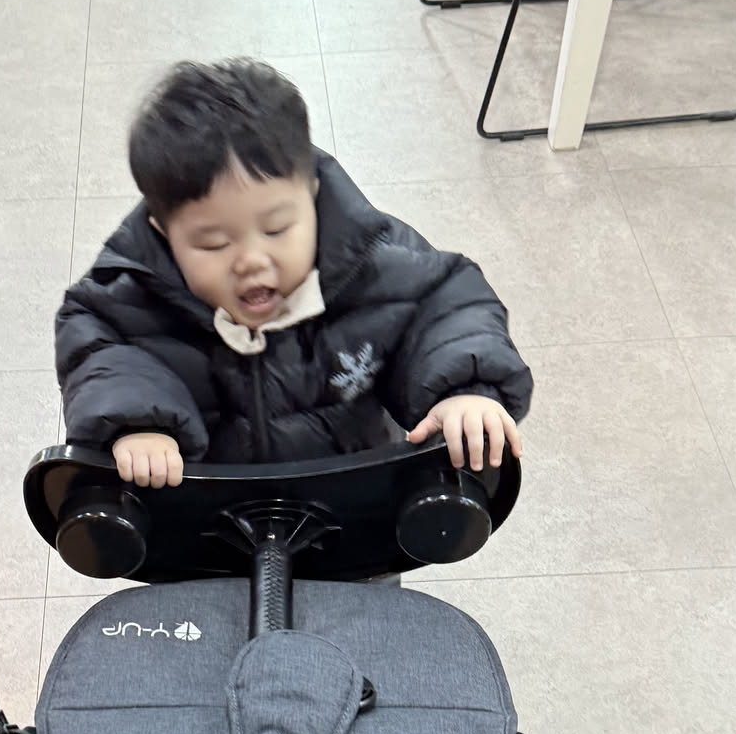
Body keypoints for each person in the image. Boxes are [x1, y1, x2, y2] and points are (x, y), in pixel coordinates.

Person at [55, 59, 532, 489]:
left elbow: (448, 304)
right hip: (208, 513)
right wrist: (137, 422)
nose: (251, 260)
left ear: (313, 195)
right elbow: (98, 344)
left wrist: (463, 390)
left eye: (277, 229)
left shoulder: (372, 260)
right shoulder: (133, 293)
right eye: (214, 243)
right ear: (164, 234)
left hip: (352, 500)